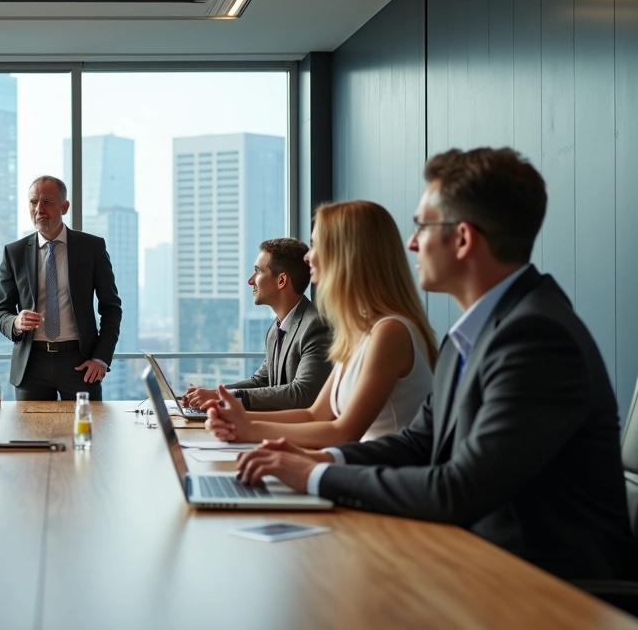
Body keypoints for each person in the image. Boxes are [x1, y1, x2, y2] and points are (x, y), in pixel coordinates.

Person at [236, 148, 638, 581]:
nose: (411, 243)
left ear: (462, 239)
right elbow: (416, 445)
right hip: (481, 563)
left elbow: (459, 488)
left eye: (422, 227)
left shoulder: (537, 338)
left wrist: (315, 476)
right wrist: (323, 460)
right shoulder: (473, 333)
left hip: (547, 590)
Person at [205, 201, 437, 448]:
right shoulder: (357, 332)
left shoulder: (390, 332)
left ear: (347, 254)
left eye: (316, 245)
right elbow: (314, 415)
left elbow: (342, 433)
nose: (307, 256)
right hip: (364, 472)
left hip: (385, 480)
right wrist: (239, 420)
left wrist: (248, 427)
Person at [0, 176, 122, 400]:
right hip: (31, 366)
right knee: (31, 435)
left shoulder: (92, 247)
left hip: (80, 363)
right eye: (33, 202)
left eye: (47, 202)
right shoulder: (14, 253)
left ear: (64, 206)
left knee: (86, 433)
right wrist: (15, 322)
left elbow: (111, 308)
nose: (39, 209)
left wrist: (101, 358)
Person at [181, 238, 332, 411]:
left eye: (258, 271)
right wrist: (215, 394)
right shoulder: (276, 330)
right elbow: (262, 381)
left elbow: (303, 393)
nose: (251, 281)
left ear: (281, 281)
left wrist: (222, 397)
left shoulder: (316, 326)